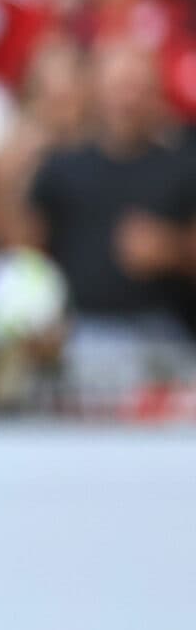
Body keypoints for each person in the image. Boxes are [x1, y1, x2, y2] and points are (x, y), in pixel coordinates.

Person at [24, 40, 196, 406]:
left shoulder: (184, 165)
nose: (127, 98)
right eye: (119, 86)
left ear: (156, 94)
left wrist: (174, 248)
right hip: (85, 338)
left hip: (166, 338)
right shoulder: (62, 168)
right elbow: (28, 252)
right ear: (96, 91)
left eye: (138, 87)